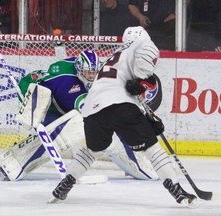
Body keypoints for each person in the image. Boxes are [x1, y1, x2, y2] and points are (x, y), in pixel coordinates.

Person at [51, 26, 197, 207]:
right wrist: (143, 81)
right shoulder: (143, 43)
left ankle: (65, 183)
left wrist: (146, 115)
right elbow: (138, 79)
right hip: (119, 105)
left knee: (93, 150)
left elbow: (126, 88)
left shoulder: (114, 56)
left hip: (91, 110)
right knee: (152, 148)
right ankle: (176, 190)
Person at [0, 50, 158, 182]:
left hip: (63, 107)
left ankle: (136, 165)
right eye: (88, 72)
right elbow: (86, 107)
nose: (91, 76)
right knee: (74, 127)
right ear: (79, 68)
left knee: (102, 125)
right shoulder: (64, 79)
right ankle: (16, 162)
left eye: (94, 72)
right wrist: (29, 101)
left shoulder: (100, 75)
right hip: (42, 103)